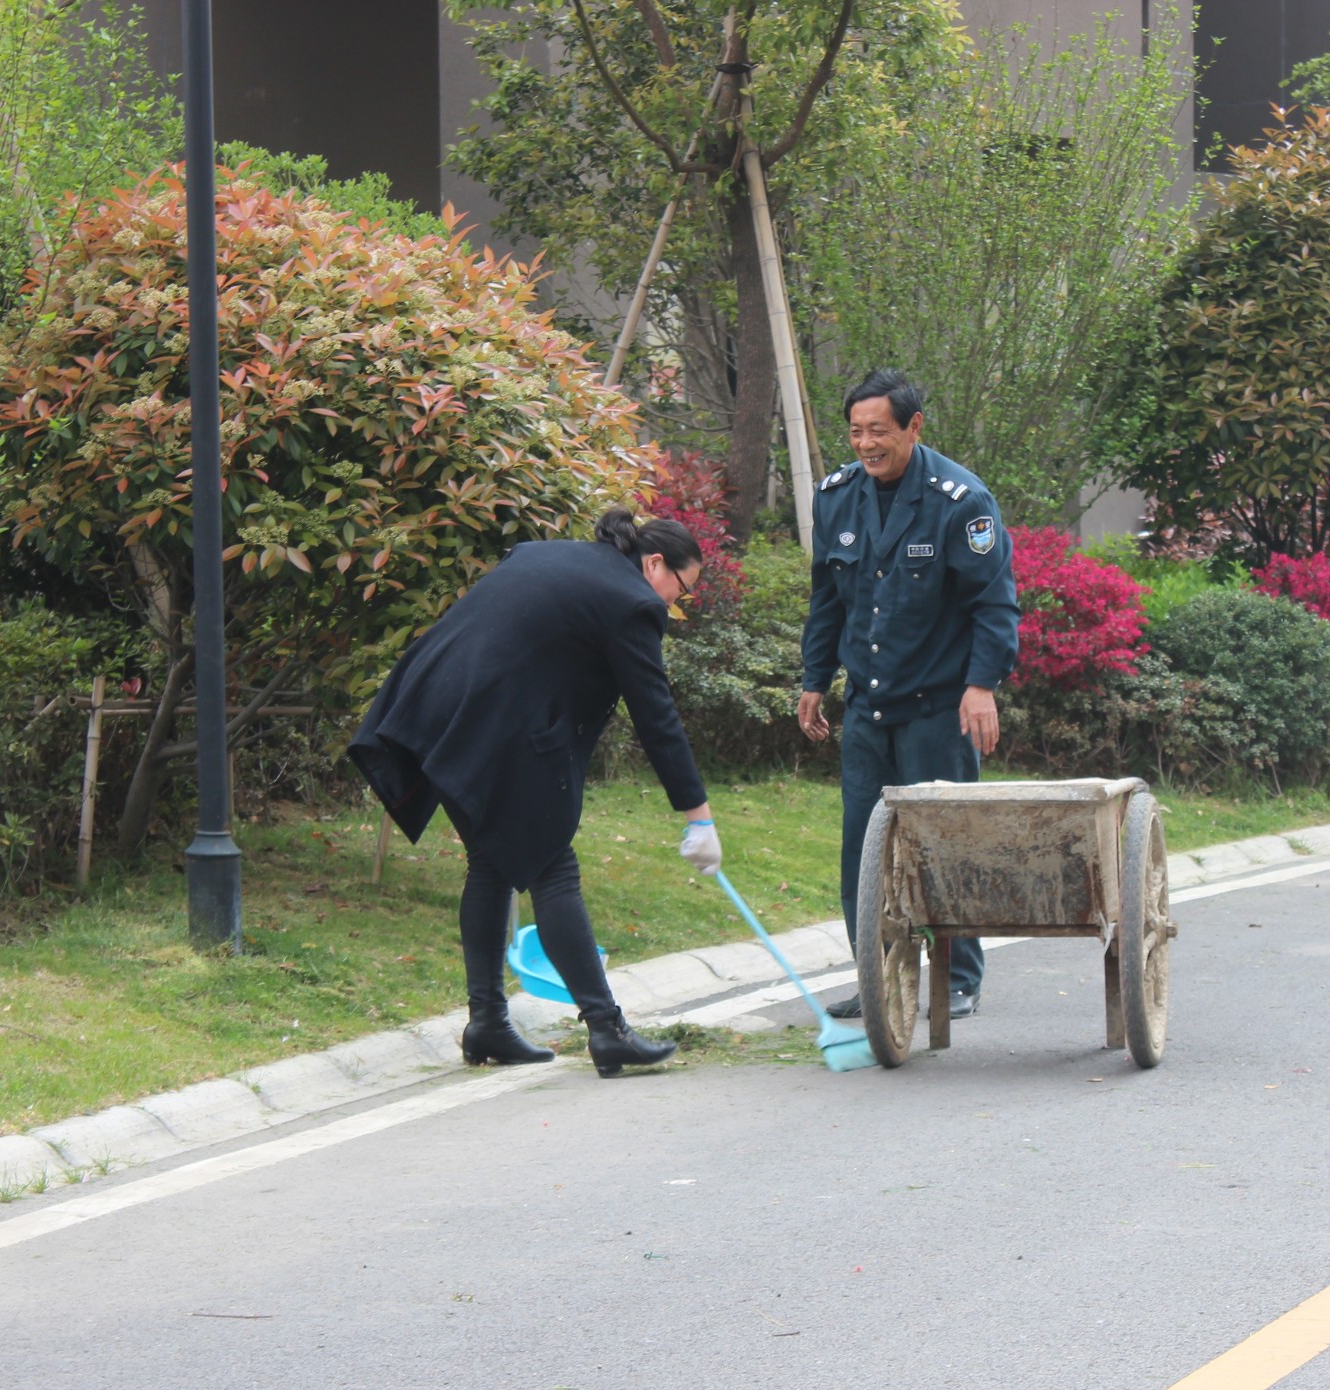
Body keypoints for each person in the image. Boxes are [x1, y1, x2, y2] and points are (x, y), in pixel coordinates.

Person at [347, 507, 723, 1078]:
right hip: (490, 723)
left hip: (430, 703)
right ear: (654, 564)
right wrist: (699, 814)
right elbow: (656, 715)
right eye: (681, 588)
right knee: (552, 865)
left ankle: (488, 1022)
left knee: (492, 863)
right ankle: (606, 1028)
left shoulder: (546, 552)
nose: (674, 604)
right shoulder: (632, 601)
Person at [798, 370, 1020, 1019]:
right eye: (857, 431)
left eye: (880, 432)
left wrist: (982, 686)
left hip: (936, 707)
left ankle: (959, 976)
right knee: (863, 855)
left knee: (945, 844)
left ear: (913, 426)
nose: (867, 444)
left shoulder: (961, 501)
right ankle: (880, 974)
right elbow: (825, 602)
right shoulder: (836, 496)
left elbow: (994, 603)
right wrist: (815, 680)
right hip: (867, 706)